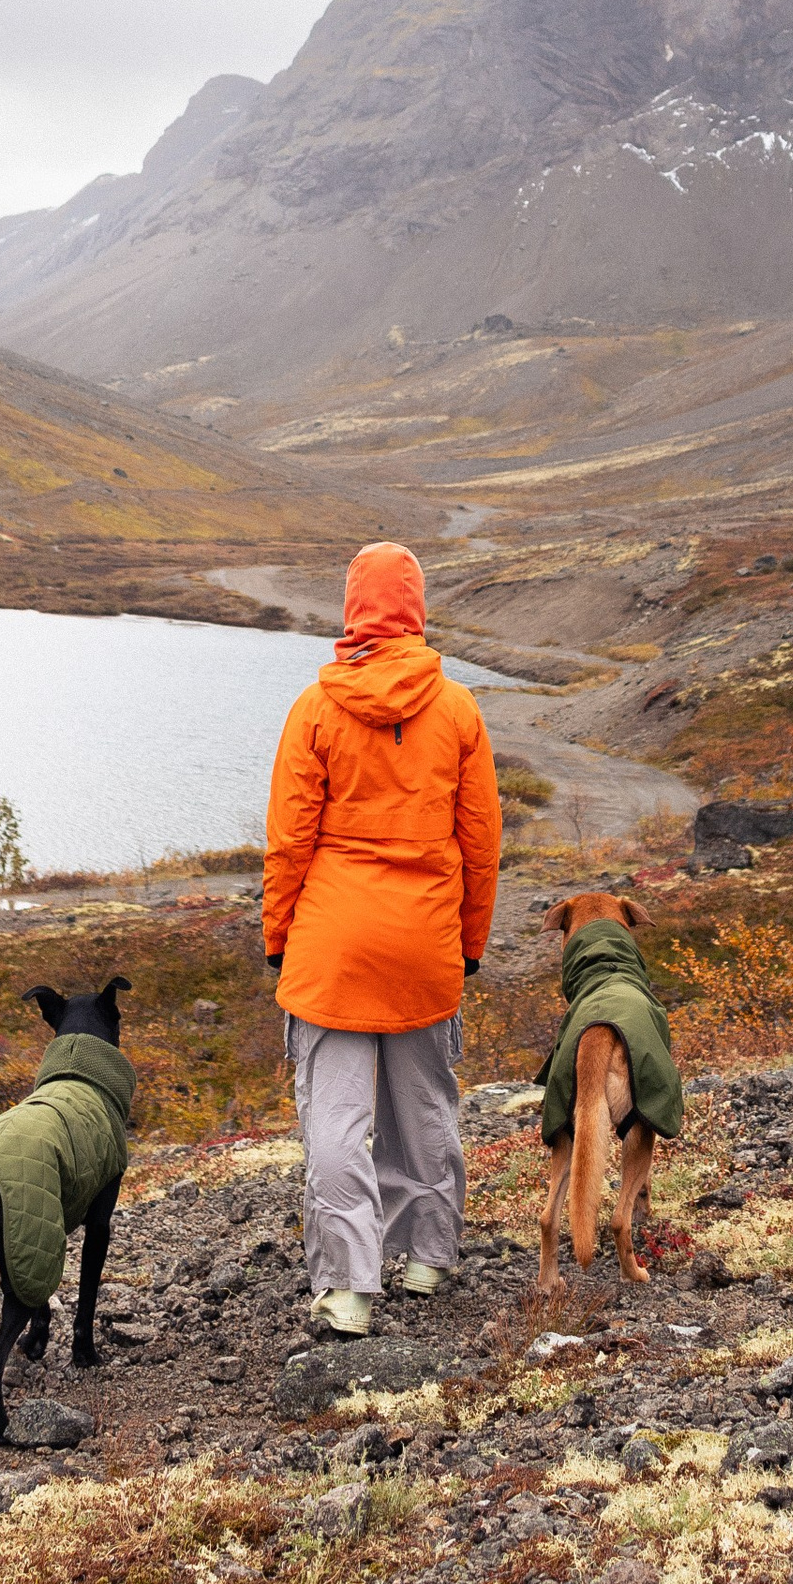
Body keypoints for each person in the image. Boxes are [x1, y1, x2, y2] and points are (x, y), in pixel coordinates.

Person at [262, 542, 502, 1337]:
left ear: (352, 609)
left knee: (335, 1120)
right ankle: (429, 1258)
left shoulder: (316, 708)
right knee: (424, 1106)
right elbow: (481, 844)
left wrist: (279, 938)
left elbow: (289, 842)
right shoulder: (460, 709)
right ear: (417, 608)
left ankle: (348, 1289)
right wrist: (468, 944)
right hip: (425, 942)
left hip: (332, 945)